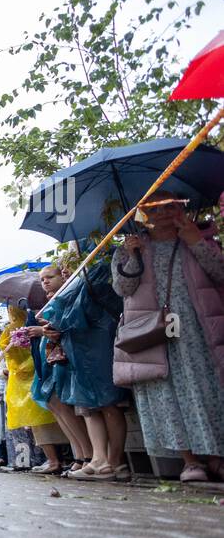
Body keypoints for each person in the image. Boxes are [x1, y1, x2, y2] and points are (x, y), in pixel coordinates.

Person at [111, 198, 224, 483]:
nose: (162, 213)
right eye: (153, 208)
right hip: (152, 331)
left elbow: (220, 274)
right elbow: (123, 289)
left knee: (204, 386)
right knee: (167, 391)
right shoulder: (128, 250)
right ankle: (190, 461)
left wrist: (196, 241)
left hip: (199, 328)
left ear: (183, 209)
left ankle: (215, 456)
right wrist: (133, 256)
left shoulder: (201, 238)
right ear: (142, 215)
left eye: (170, 206)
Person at [38, 256, 130, 481]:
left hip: (97, 345)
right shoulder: (70, 289)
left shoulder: (92, 276)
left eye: (51, 276)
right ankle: (99, 459)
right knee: (89, 408)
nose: (45, 282)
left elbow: (81, 316)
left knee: (108, 403)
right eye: (42, 280)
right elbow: (65, 321)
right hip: (78, 350)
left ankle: (115, 461)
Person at [0, 305, 58, 472]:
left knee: (46, 420)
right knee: (38, 423)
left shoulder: (36, 321)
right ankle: (53, 459)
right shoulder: (10, 330)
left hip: (36, 374)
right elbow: (6, 351)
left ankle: (57, 459)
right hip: (26, 379)